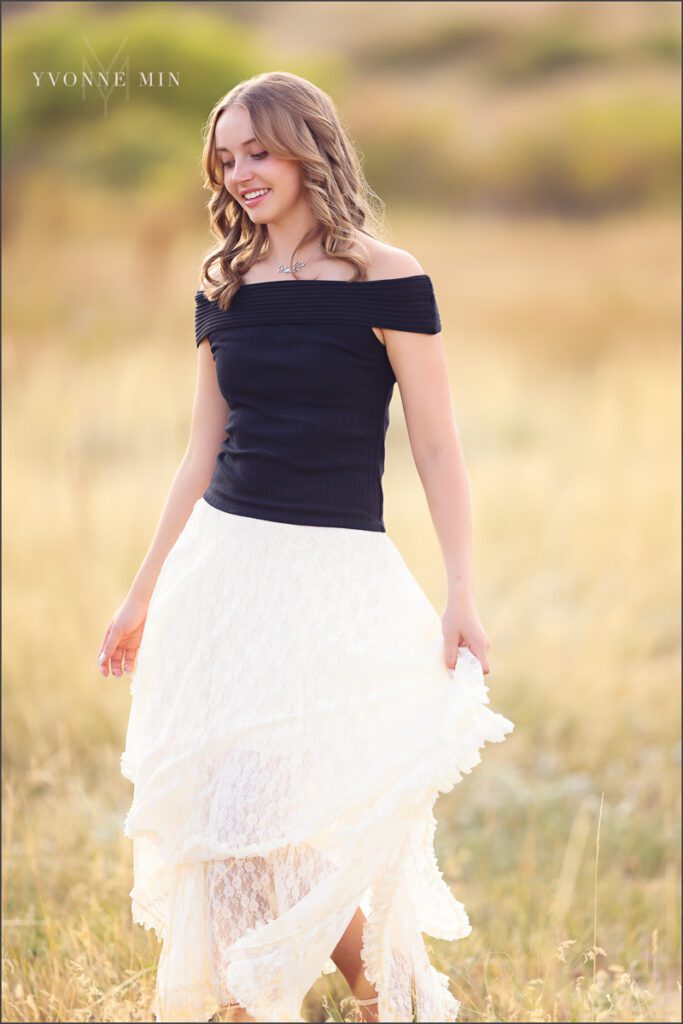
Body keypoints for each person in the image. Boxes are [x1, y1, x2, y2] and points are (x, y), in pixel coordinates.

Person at [98, 70, 515, 1024]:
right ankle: (274, 1001)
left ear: (308, 147)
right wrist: (141, 593)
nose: (241, 173)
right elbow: (200, 450)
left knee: (267, 810)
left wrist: (461, 591)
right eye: (227, 157)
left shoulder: (388, 277)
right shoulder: (225, 287)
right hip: (222, 570)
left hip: (329, 576)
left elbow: (437, 444)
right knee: (226, 815)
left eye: (259, 150)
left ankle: (372, 981)